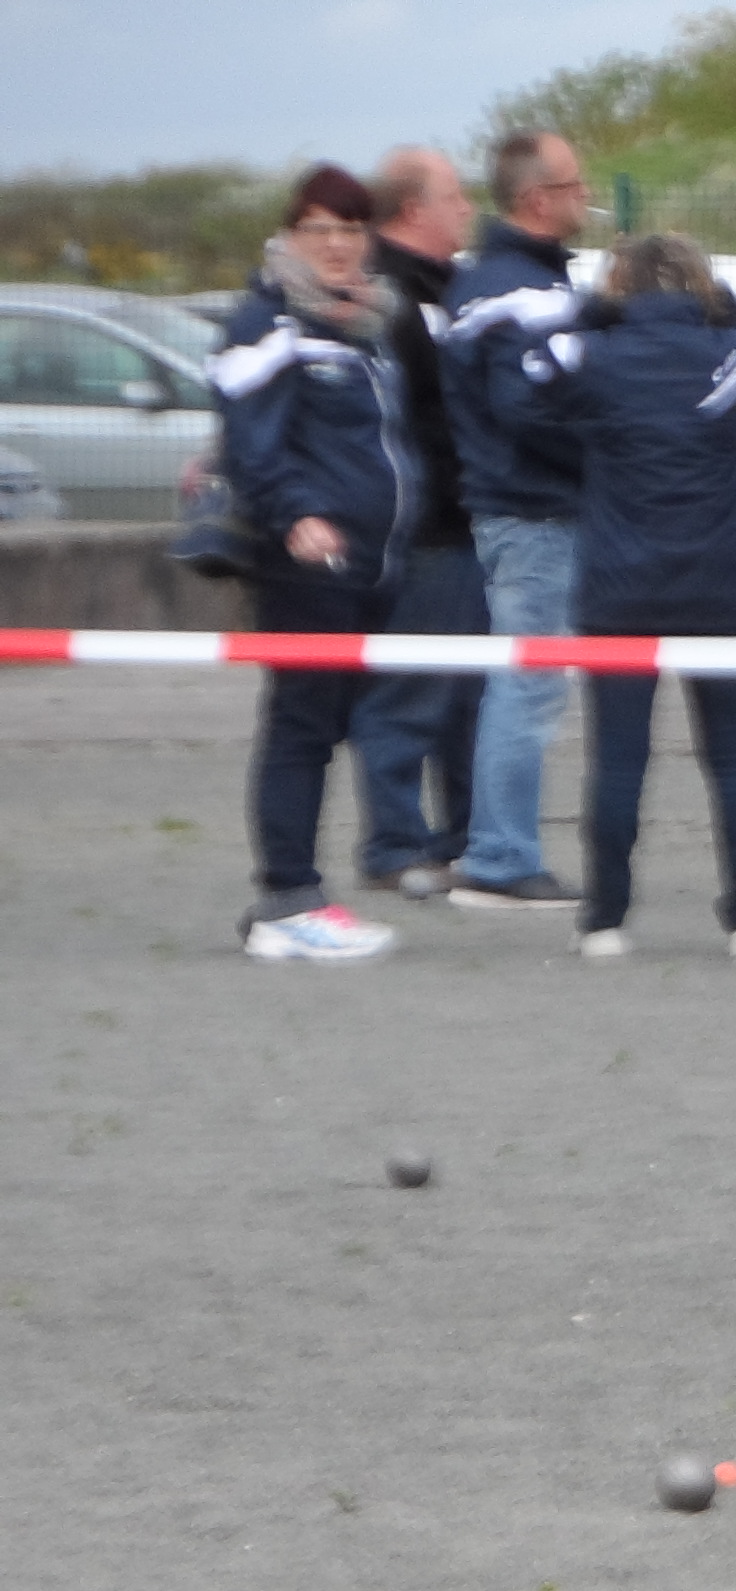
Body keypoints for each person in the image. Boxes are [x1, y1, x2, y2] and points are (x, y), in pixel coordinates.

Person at [520, 235, 736, 956]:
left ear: (619, 287)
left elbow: (537, 360)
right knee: (735, 758)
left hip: (621, 587)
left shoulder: (595, 357)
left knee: (617, 760)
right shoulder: (734, 352)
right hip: (720, 585)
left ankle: (606, 921)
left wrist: (596, 312)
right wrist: (719, 304)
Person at [209, 165, 418, 965]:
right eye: (320, 230)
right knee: (301, 723)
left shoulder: (359, 324)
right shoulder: (267, 322)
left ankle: (298, 893)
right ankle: (288, 897)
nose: (336, 245)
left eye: (350, 229)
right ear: (291, 237)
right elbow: (250, 438)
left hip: (374, 561)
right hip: (309, 563)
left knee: (327, 726)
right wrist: (297, 515)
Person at [440, 126, 596, 913]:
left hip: (522, 507)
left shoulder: (496, 283)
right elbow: (527, 405)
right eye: (575, 185)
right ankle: (500, 856)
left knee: (527, 682)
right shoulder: (519, 292)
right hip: (534, 512)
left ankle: (498, 847)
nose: (588, 197)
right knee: (528, 685)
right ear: (537, 199)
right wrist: (601, 449)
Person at [351, 145, 479, 900]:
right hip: (422, 526)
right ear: (412, 210)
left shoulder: (450, 287)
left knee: (471, 693)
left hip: (469, 519)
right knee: (410, 691)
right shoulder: (383, 296)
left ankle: (461, 838)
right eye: (455, 197)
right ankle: (393, 845)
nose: (467, 209)